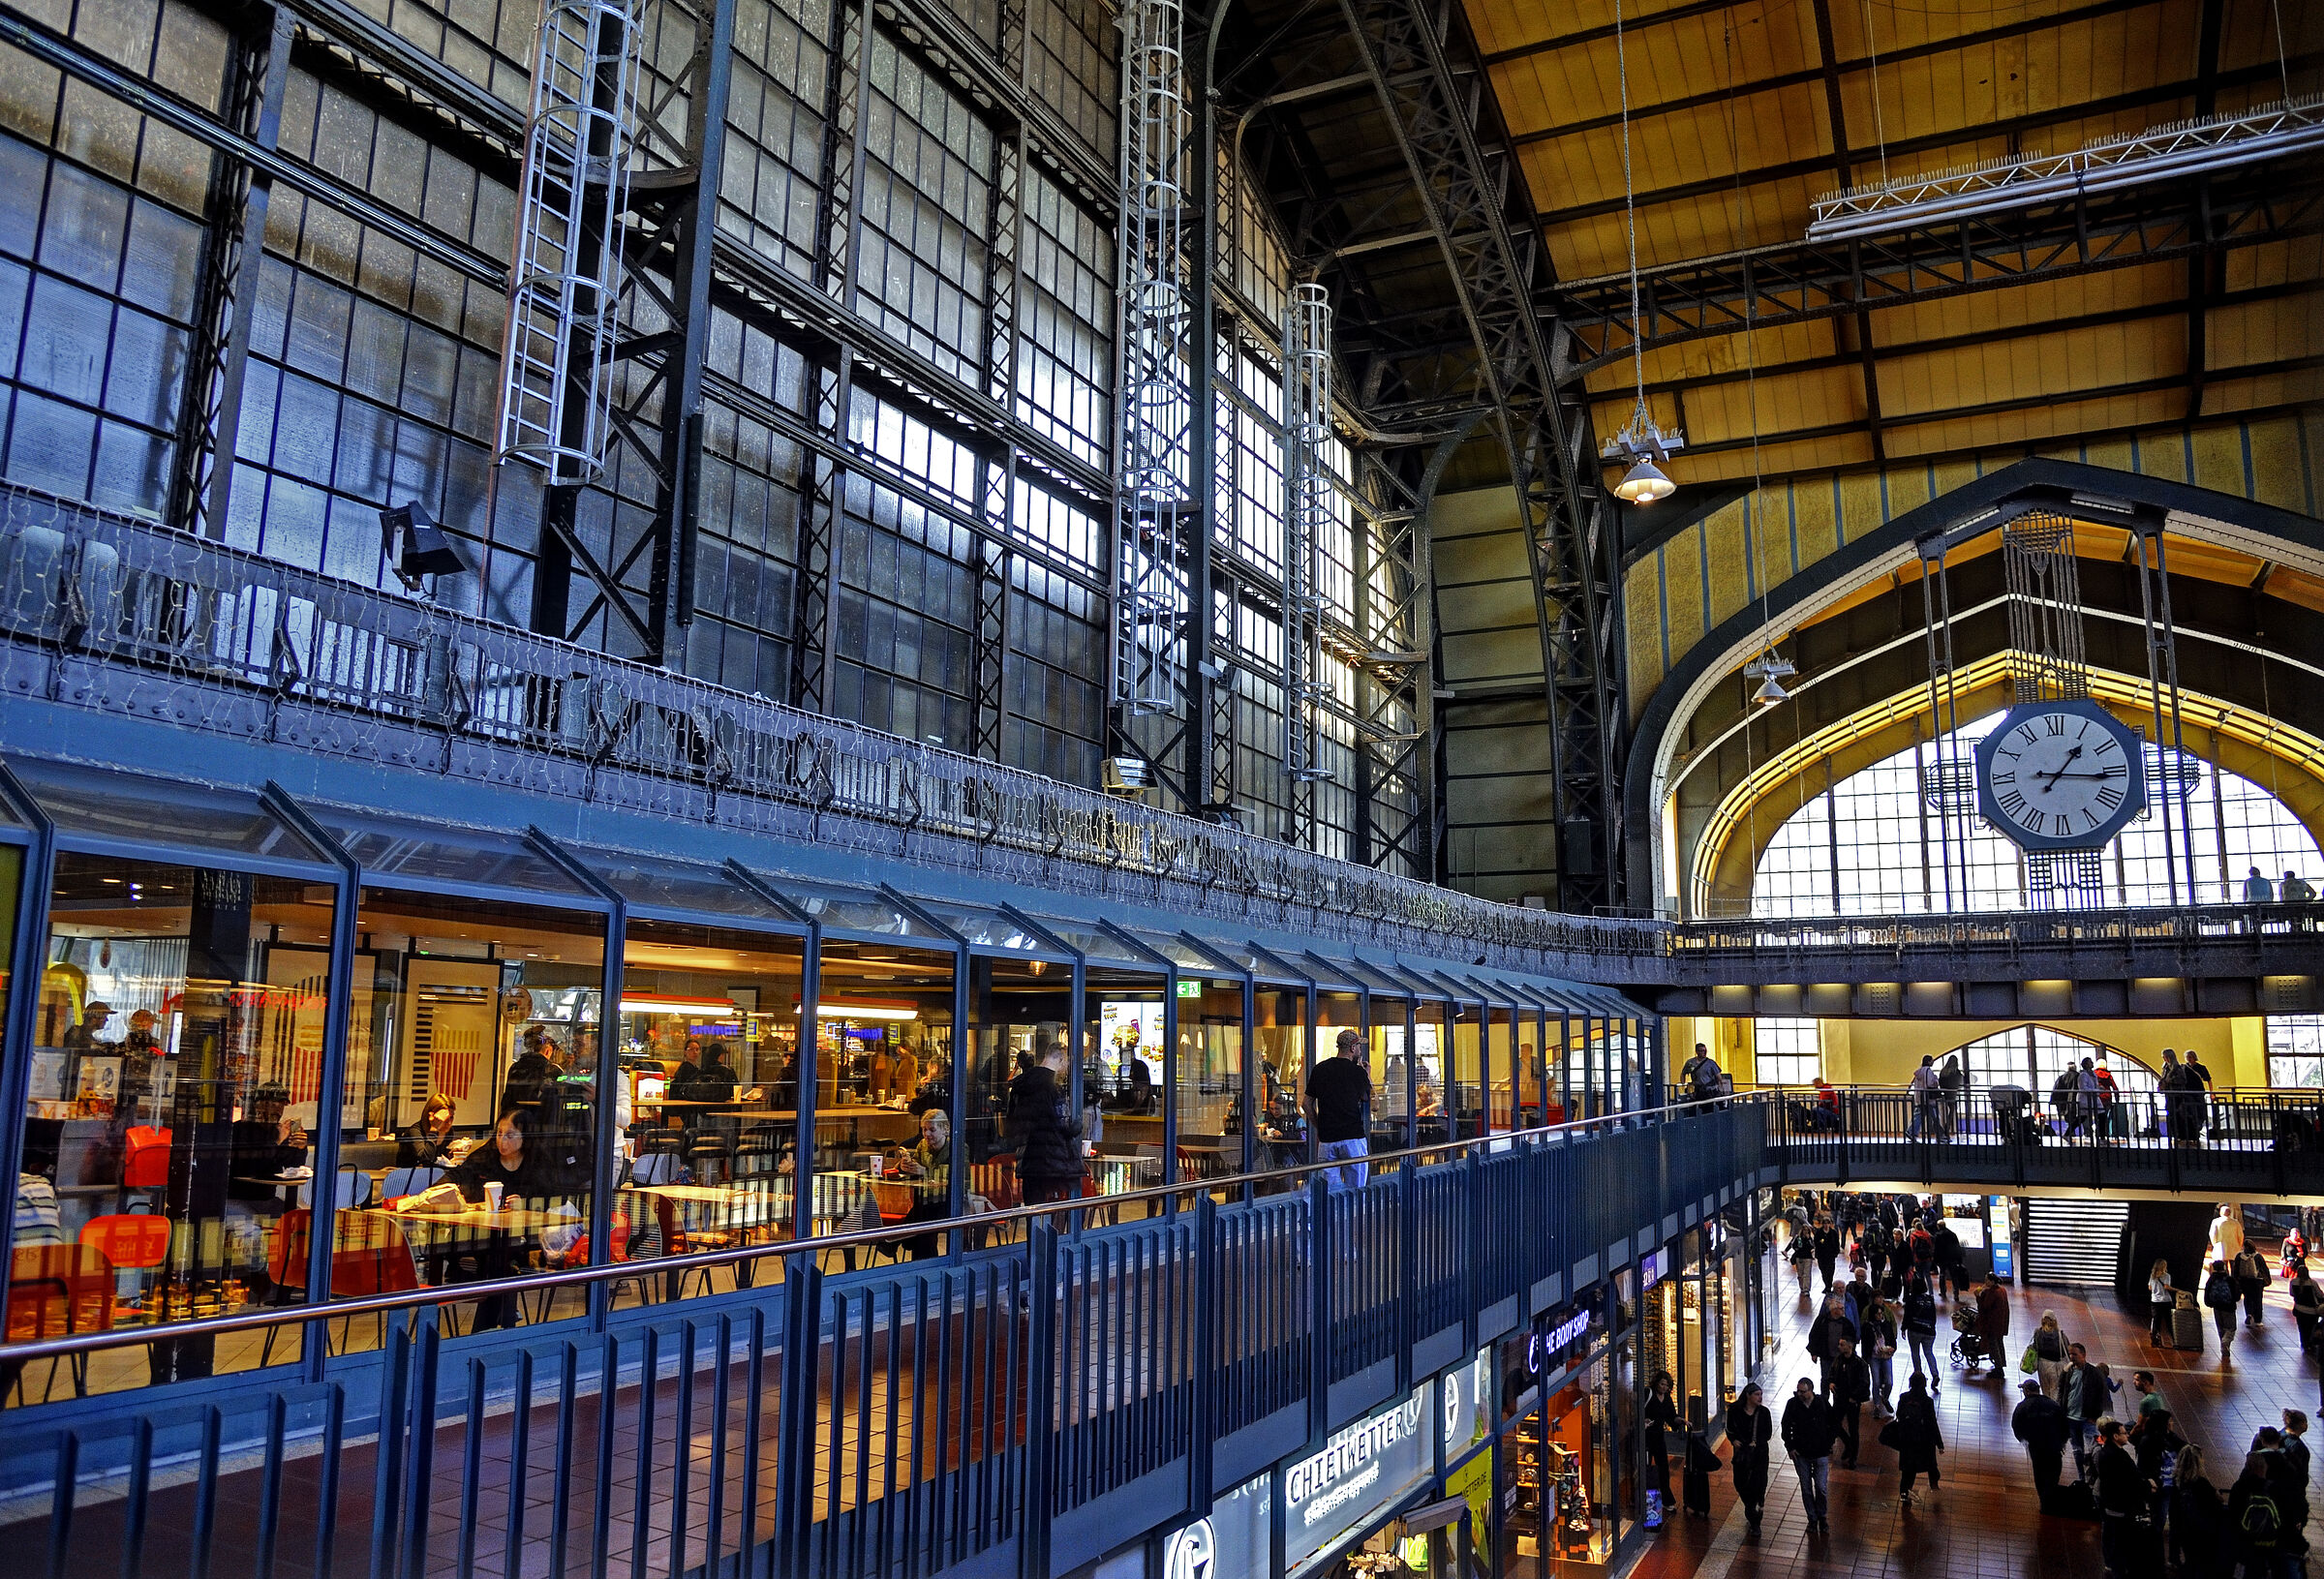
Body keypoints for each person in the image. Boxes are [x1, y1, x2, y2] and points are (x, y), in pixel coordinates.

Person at [441, 1106, 574, 1330]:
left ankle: (489, 1326)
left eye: (510, 1135)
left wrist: (527, 1204)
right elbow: (455, 1176)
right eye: (500, 1133)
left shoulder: (538, 1164)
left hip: (527, 1239)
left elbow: (558, 1198)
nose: (503, 1140)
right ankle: (499, 1319)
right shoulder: (486, 1156)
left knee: (501, 1265)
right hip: (481, 1236)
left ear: (526, 1137)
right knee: (499, 1265)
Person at [1004, 1048, 1083, 1205]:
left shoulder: (1020, 1083)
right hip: (1052, 1158)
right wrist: (1075, 1127)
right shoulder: (1053, 1086)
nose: (1066, 1067)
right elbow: (1060, 1123)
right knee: (1068, 1205)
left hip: (1028, 1157)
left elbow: (1012, 1119)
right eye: (1066, 1062)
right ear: (1060, 1059)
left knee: (1032, 1209)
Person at [1303, 1029, 1373, 1193]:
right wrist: (1367, 1075)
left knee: (1328, 1191)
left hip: (1327, 1140)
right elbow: (1367, 1098)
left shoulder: (1319, 1069)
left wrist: (1319, 1126)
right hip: (1352, 1137)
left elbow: (1306, 1104)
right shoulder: (1357, 1072)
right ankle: (1352, 1217)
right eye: (1359, 1046)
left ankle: (1331, 1218)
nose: (1360, 1050)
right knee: (1356, 1190)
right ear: (1352, 1048)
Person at [891, 1108, 953, 1259]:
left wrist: (924, 1172)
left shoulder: (956, 1148)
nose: (927, 1134)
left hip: (949, 1202)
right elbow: (915, 1167)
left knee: (922, 1214)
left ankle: (894, 1241)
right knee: (923, 1214)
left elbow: (956, 1177)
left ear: (946, 1130)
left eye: (932, 1130)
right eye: (924, 1130)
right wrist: (904, 1165)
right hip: (926, 1200)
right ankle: (903, 1243)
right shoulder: (922, 1145)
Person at [1782, 1377, 1838, 1533]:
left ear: (1811, 1390)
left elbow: (1834, 1423)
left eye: (1802, 1391)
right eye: (1798, 1391)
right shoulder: (1793, 1405)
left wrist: (1829, 1442)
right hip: (1801, 1454)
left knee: (1821, 1487)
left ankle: (1822, 1516)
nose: (1799, 1394)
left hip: (1820, 1452)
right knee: (1806, 1489)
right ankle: (1812, 1518)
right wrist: (1790, 1447)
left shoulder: (1821, 1403)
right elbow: (1785, 1426)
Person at [2092, 1418, 2146, 1577]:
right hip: (2115, 1503)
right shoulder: (2111, 1455)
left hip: (2110, 1500)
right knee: (2114, 1535)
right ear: (2115, 1436)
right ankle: (2113, 1565)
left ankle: (2112, 1563)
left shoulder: (2108, 1452)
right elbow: (2126, 1478)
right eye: (2124, 1433)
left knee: (2112, 1534)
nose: (2127, 1435)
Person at [2013, 1378, 2071, 1510]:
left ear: (2026, 1391)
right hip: (2054, 1447)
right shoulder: (2053, 1404)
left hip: (2036, 1447)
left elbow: (2016, 1426)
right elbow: (2065, 1425)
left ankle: (2044, 1502)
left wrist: (2024, 1440)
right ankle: (2051, 1497)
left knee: (2040, 1473)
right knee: (2054, 1472)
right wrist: (2062, 1442)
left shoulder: (2022, 1407)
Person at [2173, 1443, 2226, 1579]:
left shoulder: (2177, 1482)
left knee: (2190, 1560)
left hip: (2185, 1529)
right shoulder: (2202, 1483)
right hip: (2203, 1532)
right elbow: (2215, 1508)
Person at [1726, 1382, 1774, 1530]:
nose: (1760, 1398)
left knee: (1758, 1483)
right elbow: (1729, 1428)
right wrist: (1734, 1440)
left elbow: (1767, 1433)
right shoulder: (1735, 1410)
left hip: (1759, 1454)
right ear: (1748, 1395)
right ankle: (1751, 1506)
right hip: (1742, 1454)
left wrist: (1756, 1442)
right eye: (1757, 1394)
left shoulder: (1764, 1413)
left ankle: (1754, 1518)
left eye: (1761, 1394)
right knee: (1740, 1482)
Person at [2064, 1343, 2112, 1481]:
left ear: (2083, 1355)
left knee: (2097, 1443)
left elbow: (2101, 1395)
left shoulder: (2094, 1373)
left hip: (2087, 1419)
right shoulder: (2069, 1371)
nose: (2071, 1357)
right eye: (2070, 1354)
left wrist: (2095, 1416)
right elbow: (2063, 1390)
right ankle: (2082, 1477)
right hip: (2071, 1418)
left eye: (2075, 1354)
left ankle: (2096, 1473)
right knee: (2077, 1449)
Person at [1894, 1372, 1943, 1504]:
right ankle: (1934, 1487)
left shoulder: (1904, 1397)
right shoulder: (1927, 1402)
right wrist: (1940, 1444)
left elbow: (1899, 1415)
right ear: (1924, 1384)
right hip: (1924, 1441)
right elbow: (1932, 1423)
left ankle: (1905, 1498)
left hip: (1907, 1441)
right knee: (1931, 1466)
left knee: (1907, 1474)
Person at [1828, 1337, 1870, 1470]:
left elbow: (1864, 1383)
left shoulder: (1860, 1364)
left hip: (1852, 1401)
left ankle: (1853, 1458)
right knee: (1834, 1423)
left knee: (1853, 1428)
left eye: (1842, 1344)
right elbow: (1832, 1374)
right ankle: (1848, 1444)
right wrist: (1831, 1382)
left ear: (1850, 1346)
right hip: (1840, 1398)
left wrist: (1854, 1397)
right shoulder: (1838, 1360)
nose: (1839, 1347)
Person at [1807, 1293, 1857, 1391]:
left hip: (1841, 1357)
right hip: (1826, 1356)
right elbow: (1814, 1336)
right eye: (1841, 1308)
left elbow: (1852, 1339)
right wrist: (1814, 1353)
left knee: (1841, 1379)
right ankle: (1824, 1400)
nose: (1843, 1310)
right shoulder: (1822, 1320)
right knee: (1825, 1378)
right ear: (1834, 1310)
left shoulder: (1847, 1323)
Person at [1643, 1372, 1679, 1509]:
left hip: (1658, 1437)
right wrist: (1643, 1421)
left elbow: (1671, 1417)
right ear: (1656, 1383)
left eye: (1667, 1385)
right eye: (1662, 1384)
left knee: (1663, 1468)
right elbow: (1636, 1411)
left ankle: (1666, 1500)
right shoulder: (1648, 1393)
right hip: (1646, 1437)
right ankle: (1644, 1500)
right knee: (1645, 1468)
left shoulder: (1667, 1398)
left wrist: (1680, 1421)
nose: (1664, 1387)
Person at [1861, 1291, 1899, 1418]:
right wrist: (1866, 1357)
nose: (1880, 1315)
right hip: (1874, 1358)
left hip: (1886, 1356)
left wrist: (1892, 1349)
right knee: (1876, 1382)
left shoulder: (1886, 1325)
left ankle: (1885, 1398)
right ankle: (1877, 1405)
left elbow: (1892, 1340)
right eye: (1878, 1313)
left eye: (1881, 1313)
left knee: (1889, 1382)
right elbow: (1865, 1344)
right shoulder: (1867, 1327)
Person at [398, 1093, 460, 1169]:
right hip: (410, 1175)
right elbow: (426, 1160)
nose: (449, 1123)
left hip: (436, 1174)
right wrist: (433, 1129)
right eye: (444, 1119)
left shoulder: (449, 1132)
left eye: (451, 1117)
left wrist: (452, 1153)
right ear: (431, 1116)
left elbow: (441, 1159)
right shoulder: (415, 1131)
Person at [1902, 1276, 1941, 1390]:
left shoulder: (1911, 1299)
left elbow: (1907, 1315)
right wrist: (1932, 1327)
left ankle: (1919, 1377)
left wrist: (1904, 1328)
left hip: (1915, 1330)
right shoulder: (1929, 1299)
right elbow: (1933, 1316)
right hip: (1929, 1330)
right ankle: (1935, 1374)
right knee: (1929, 1352)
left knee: (1915, 1353)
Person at [2032, 1309, 2071, 1400]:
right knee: (2055, 1389)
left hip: (2042, 1365)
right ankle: (2054, 1408)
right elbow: (2067, 1349)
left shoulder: (2038, 1333)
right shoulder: (2060, 1335)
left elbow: (2035, 1348)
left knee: (2045, 1390)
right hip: (2056, 1366)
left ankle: (2046, 1407)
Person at [2204, 1257, 2240, 1357]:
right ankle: (2226, 1342)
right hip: (2229, 1307)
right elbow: (2236, 1294)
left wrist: (2209, 1303)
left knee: (2221, 1328)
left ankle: (2223, 1346)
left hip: (2217, 1307)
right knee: (2231, 1328)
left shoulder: (2211, 1279)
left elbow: (2207, 1292)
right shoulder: (2229, 1279)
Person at [1975, 1272, 2010, 1369]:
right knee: (2000, 1343)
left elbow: (1985, 1306)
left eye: (1986, 1280)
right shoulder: (2002, 1290)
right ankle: (2002, 1362)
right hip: (2001, 1323)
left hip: (1993, 1324)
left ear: (1991, 1281)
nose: (1985, 1282)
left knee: (1994, 1346)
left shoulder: (1993, 1293)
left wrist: (1978, 1296)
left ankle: (1998, 1369)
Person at [2232, 1242, 2270, 1329]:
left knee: (2247, 1298)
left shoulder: (2239, 1256)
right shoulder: (2258, 1256)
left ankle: (2249, 1314)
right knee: (2257, 1299)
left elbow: (2235, 1269)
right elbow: (2264, 1269)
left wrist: (2236, 1280)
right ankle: (2258, 1320)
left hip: (2244, 1280)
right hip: (2257, 1281)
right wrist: (2266, 1280)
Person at [1908, 1055, 1942, 1139]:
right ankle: (1940, 1134)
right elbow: (1930, 1084)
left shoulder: (1919, 1072)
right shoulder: (1928, 1071)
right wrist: (1936, 1080)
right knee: (1935, 1116)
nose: (1933, 1062)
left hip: (1920, 1097)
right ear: (1929, 1062)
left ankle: (1911, 1132)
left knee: (1918, 1116)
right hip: (1929, 1098)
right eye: (1932, 1061)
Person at [2150, 1257, 2179, 1342]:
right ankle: (2174, 1339)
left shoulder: (2152, 1275)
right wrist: (2177, 1290)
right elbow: (2166, 1287)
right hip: (2165, 1301)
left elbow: (2150, 1287)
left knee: (2156, 1320)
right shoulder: (2167, 1276)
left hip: (2155, 1300)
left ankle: (2155, 1338)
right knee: (2169, 1321)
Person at [2208, 1202, 2245, 1267]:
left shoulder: (2215, 1221)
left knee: (2223, 1267)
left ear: (2221, 1213)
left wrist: (2215, 1244)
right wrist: (2239, 1245)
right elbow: (2240, 1235)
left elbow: (2212, 1235)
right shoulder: (2236, 1222)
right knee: (2234, 1267)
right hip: (2234, 1248)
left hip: (2221, 1248)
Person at [1813, 1217, 1841, 1291]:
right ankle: (1827, 1285)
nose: (1826, 1225)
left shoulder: (1833, 1233)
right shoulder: (1819, 1232)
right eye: (1824, 1223)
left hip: (1830, 1255)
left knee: (1830, 1271)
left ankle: (1828, 1285)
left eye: (1827, 1223)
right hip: (1821, 1255)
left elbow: (1837, 1243)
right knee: (1823, 1271)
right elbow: (1816, 1242)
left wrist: (1836, 1252)